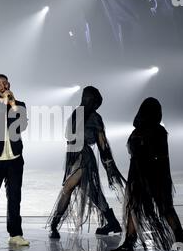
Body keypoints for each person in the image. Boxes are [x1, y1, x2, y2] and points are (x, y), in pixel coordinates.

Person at [108, 97, 183, 251]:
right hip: (153, 175)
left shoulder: (147, 132)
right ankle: (180, 242)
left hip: (146, 175)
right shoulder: (157, 131)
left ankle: (129, 245)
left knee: (142, 208)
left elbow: (153, 156)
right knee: (154, 208)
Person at [48, 86, 126, 239]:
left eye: (90, 98)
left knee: (68, 187)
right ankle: (112, 223)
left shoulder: (95, 117)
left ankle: (54, 224)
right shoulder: (76, 113)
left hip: (84, 158)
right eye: (86, 97)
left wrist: (109, 165)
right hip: (73, 156)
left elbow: (102, 143)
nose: (87, 100)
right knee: (93, 194)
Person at [0, 74, 29, 247]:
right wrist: (5, 104)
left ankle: (15, 234)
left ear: (9, 84)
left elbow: (22, 126)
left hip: (15, 158)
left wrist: (13, 103)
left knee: (15, 197)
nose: (2, 86)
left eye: (4, 83)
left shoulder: (20, 105)